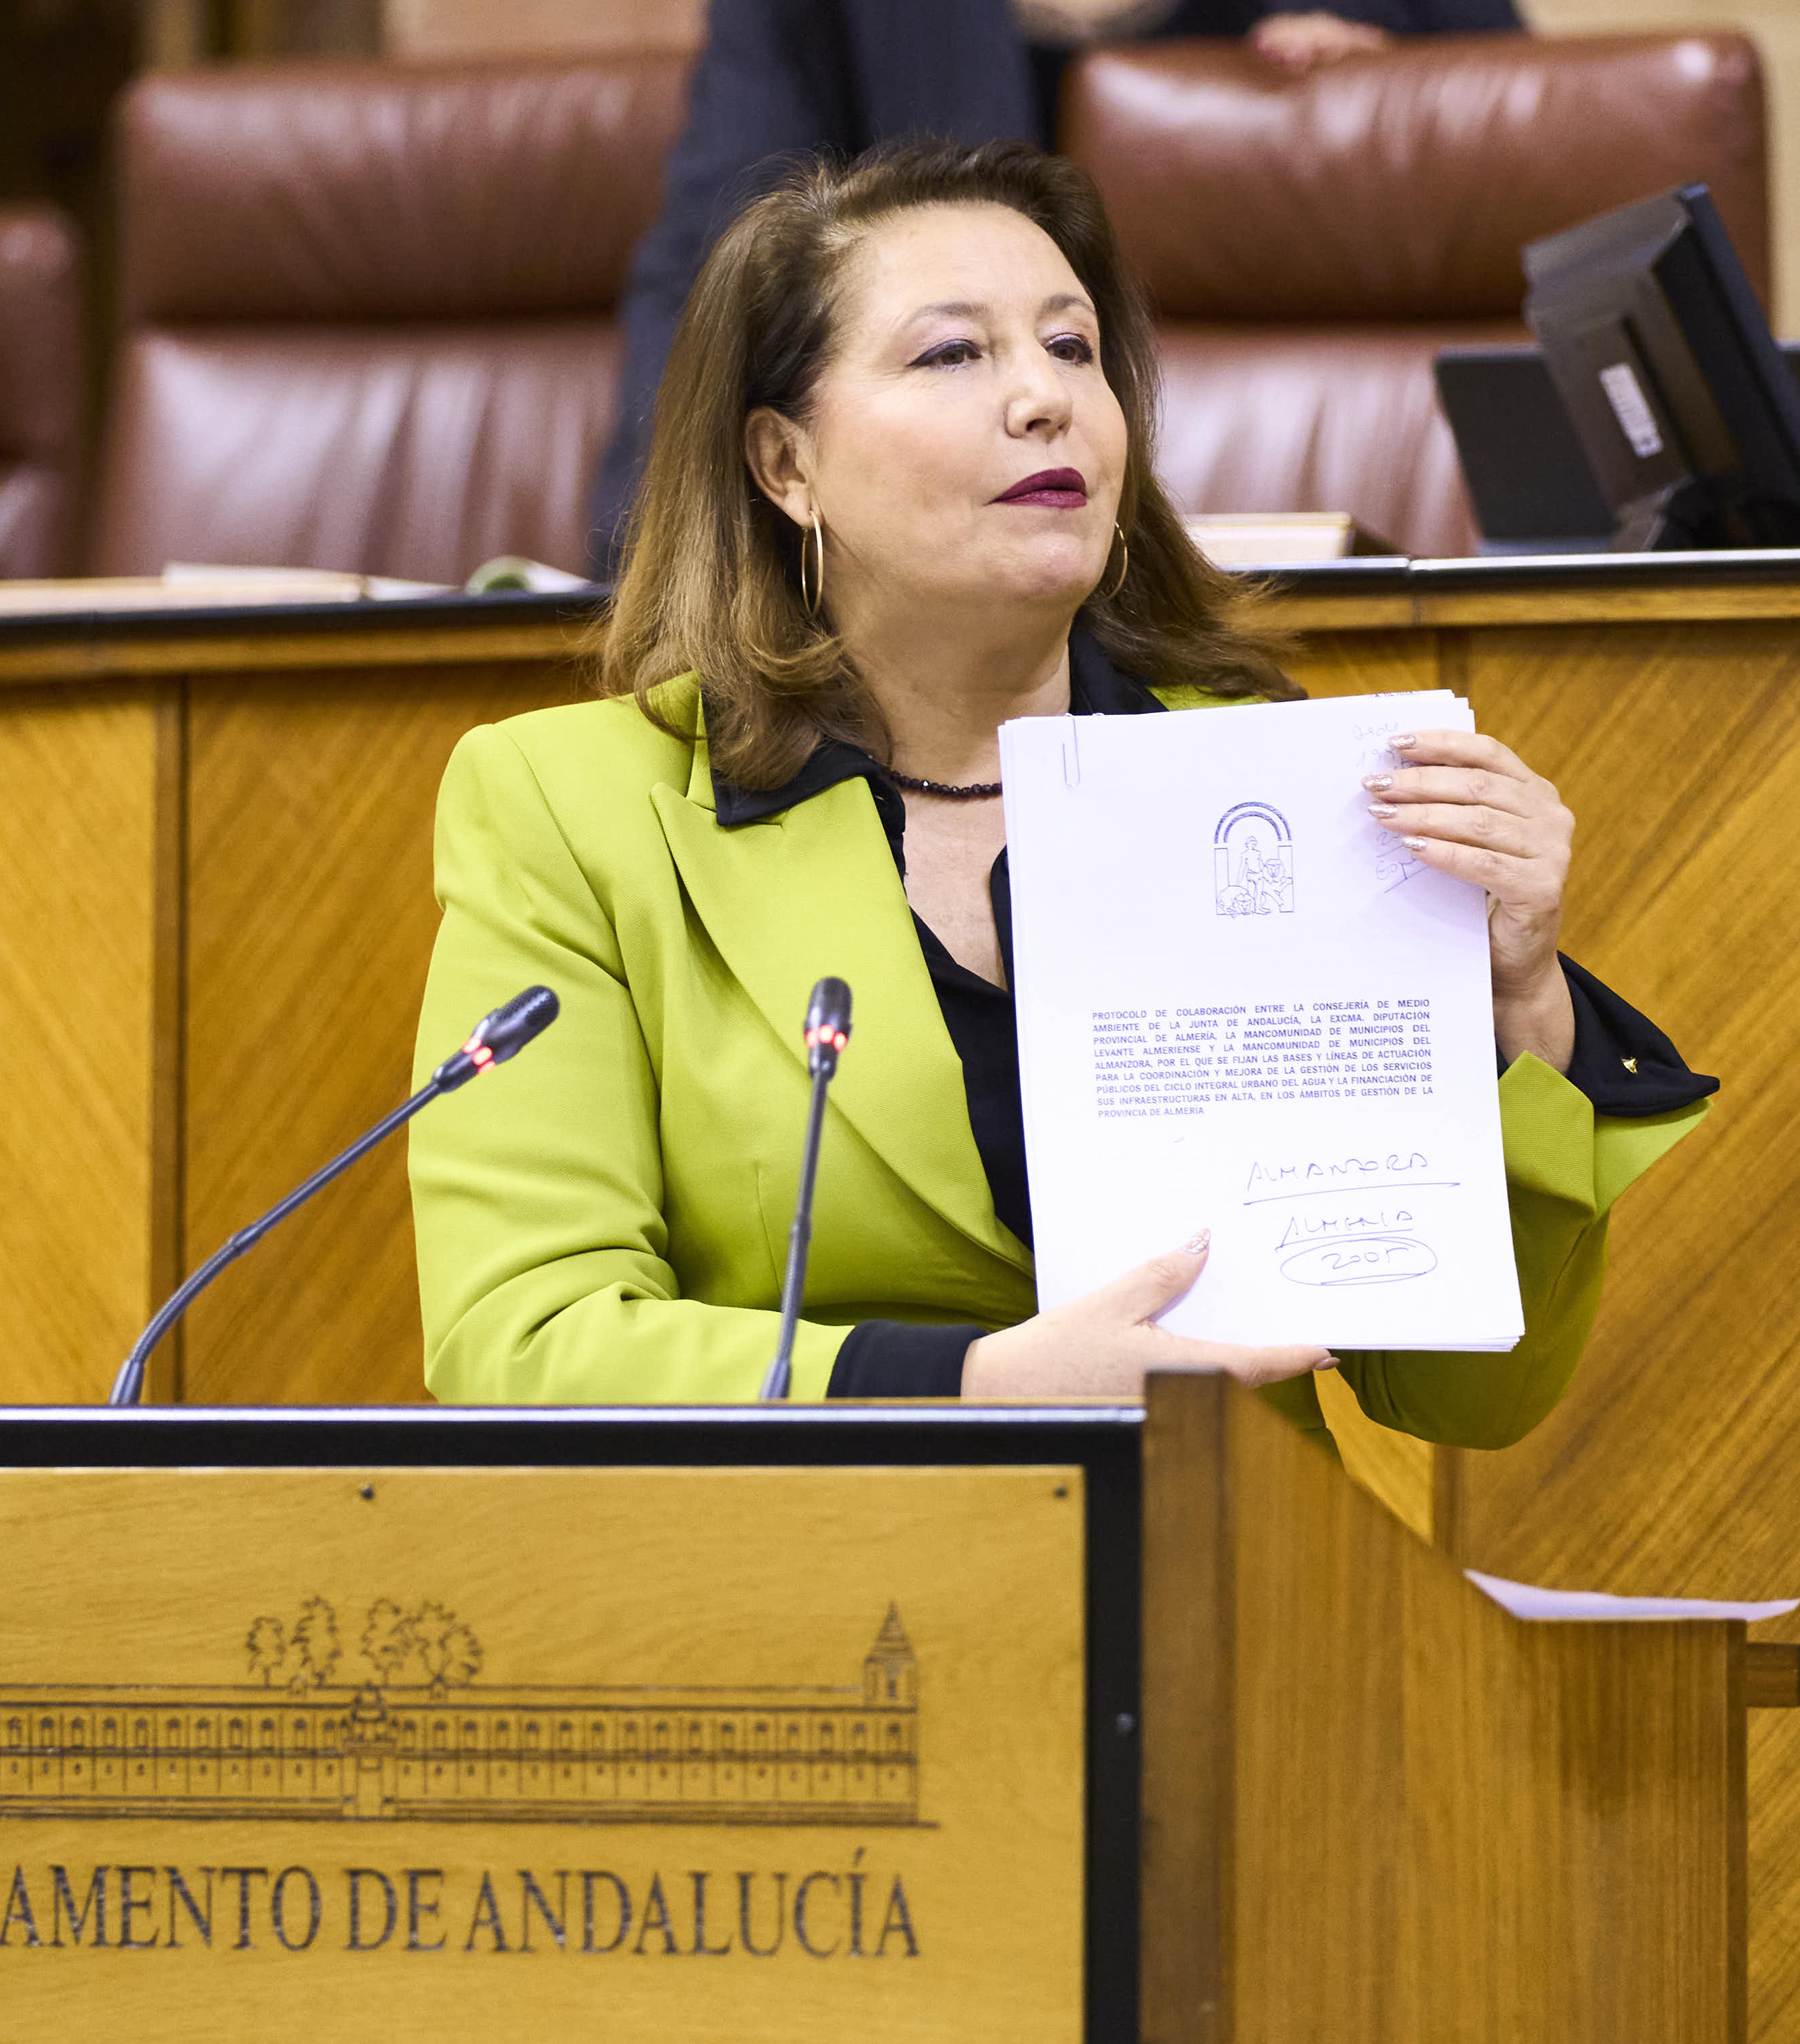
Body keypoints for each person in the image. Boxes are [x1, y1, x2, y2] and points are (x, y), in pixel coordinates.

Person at [410, 138, 1712, 1426]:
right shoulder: (574, 805)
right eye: (952, 352)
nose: (1043, 399)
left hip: (1214, 1580)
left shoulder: (1259, 780)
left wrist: (1517, 1000)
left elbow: (1457, 1391)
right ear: (783, 466)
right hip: (816, 1585)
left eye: (1072, 348)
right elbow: (522, 1340)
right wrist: (969, 1387)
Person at [589, 0, 1523, 571]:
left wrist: (1406, 76)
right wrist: (664, 571)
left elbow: (1548, 130)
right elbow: (719, 273)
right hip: (925, 607)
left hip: (1282, 602)